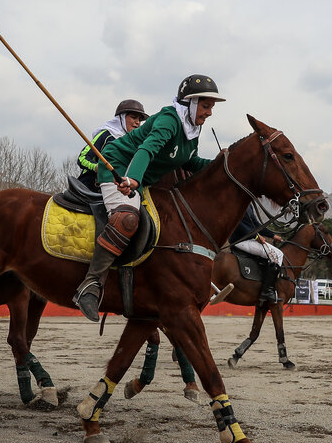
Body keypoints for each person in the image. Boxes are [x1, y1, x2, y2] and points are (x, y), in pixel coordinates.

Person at [73, 75, 226, 321]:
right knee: (126, 219)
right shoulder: (169, 120)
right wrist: (133, 178)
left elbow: (190, 161)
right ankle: (90, 286)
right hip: (120, 167)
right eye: (206, 106)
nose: (209, 113)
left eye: (211, 108)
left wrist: (219, 164)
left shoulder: (192, 128)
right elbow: (147, 149)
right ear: (190, 103)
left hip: (141, 179)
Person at [75, 99, 148, 192]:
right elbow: (82, 158)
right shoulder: (106, 135)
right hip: (90, 186)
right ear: (121, 118)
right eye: (134, 117)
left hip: (121, 188)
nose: (137, 122)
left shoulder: (137, 143)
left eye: (140, 120)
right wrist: (98, 167)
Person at [230, 203, 285, 303]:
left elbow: (255, 224)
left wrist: (272, 235)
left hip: (249, 239)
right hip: (240, 240)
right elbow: (238, 223)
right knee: (278, 254)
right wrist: (256, 236)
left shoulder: (248, 205)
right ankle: (267, 291)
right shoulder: (238, 204)